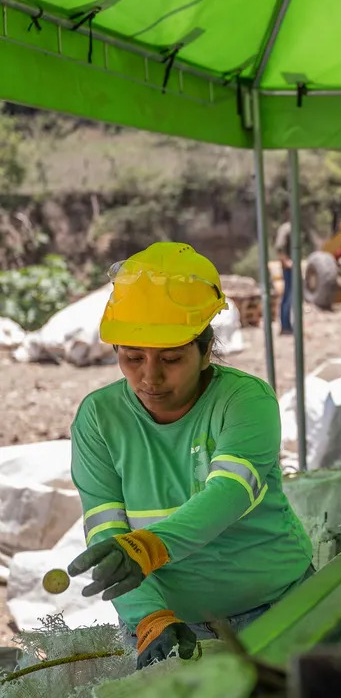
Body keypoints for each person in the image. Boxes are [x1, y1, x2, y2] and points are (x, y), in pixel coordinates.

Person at [67, 243, 313, 669]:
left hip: (280, 603)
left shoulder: (245, 401)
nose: (150, 377)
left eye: (171, 358)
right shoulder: (98, 418)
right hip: (176, 622)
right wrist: (148, 616)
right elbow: (107, 528)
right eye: (132, 357)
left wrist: (148, 547)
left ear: (205, 349)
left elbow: (230, 492)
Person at [275, 220, 293, 335]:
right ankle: (285, 326)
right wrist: (286, 262)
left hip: (291, 266)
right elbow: (279, 247)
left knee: (291, 297)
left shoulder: (291, 227)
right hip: (288, 268)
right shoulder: (286, 228)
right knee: (288, 296)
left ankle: (288, 325)